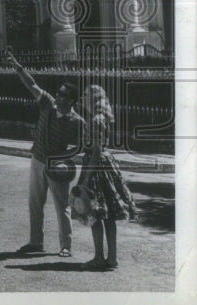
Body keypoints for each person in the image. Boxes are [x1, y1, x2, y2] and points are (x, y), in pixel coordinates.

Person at [7, 50, 85, 257]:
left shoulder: (77, 122)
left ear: (71, 101)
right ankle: (35, 242)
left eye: (62, 95)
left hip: (56, 167)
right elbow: (32, 85)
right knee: (35, 203)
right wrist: (18, 68)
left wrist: (64, 157)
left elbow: (82, 146)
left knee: (62, 207)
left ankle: (66, 246)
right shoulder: (48, 104)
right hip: (38, 159)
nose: (57, 96)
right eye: (58, 93)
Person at [76, 84, 137, 270]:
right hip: (107, 165)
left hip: (96, 167)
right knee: (108, 215)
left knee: (95, 213)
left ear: (94, 98)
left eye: (86, 94)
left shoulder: (95, 120)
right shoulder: (102, 118)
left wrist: (86, 178)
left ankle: (99, 258)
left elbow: (95, 152)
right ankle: (112, 258)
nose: (82, 98)